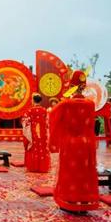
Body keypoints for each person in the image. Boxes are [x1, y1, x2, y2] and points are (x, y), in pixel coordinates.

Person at [49, 70, 100, 213]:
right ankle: (84, 202)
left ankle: (70, 202)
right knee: (85, 172)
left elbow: (52, 117)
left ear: (71, 85)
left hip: (70, 142)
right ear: (84, 86)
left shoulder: (66, 104)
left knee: (70, 172)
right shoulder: (90, 104)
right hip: (87, 143)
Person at [22, 94, 50, 173]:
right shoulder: (45, 110)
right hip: (43, 132)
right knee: (42, 147)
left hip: (33, 132)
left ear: (33, 100)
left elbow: (25, 122)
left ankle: (33, 166)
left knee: (34, 147)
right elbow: (48, 122)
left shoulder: (30, 111)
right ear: (40, 101)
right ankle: (42, 166)